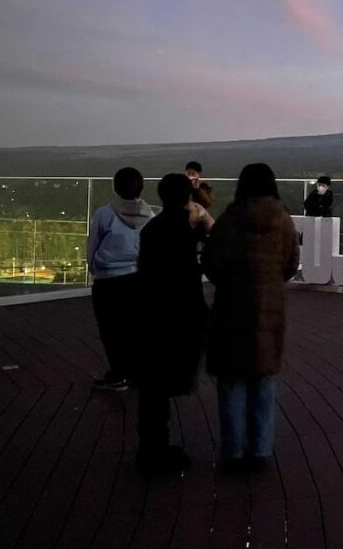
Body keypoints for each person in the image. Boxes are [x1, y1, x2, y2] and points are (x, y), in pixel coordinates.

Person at [203, 163, 299, 473]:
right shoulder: (283, 220)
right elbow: (290, 264)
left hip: (232, 309)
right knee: (264, 380)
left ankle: (233, 451)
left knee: (232, 381)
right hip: (270, 310)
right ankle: (260, 451)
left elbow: (212, 263)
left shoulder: (229, 220)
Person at [135, 174, 208, 475]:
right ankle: (156, 454)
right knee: (162, 384)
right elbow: (189, 276)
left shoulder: (152, 228)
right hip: (179, 314)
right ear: (188, 196)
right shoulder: (186, 230)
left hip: (153, 313)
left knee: (153, 386)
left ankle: (151, 448)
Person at [86, 167, 154, 391]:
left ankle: (118, 374)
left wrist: (95, 265)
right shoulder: (149, 216)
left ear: (116, 187)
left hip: (108, 281)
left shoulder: (104, 214)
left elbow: (92, 245)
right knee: (135, 327)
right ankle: (137, 372)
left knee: (110, 329)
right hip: (136, 278)